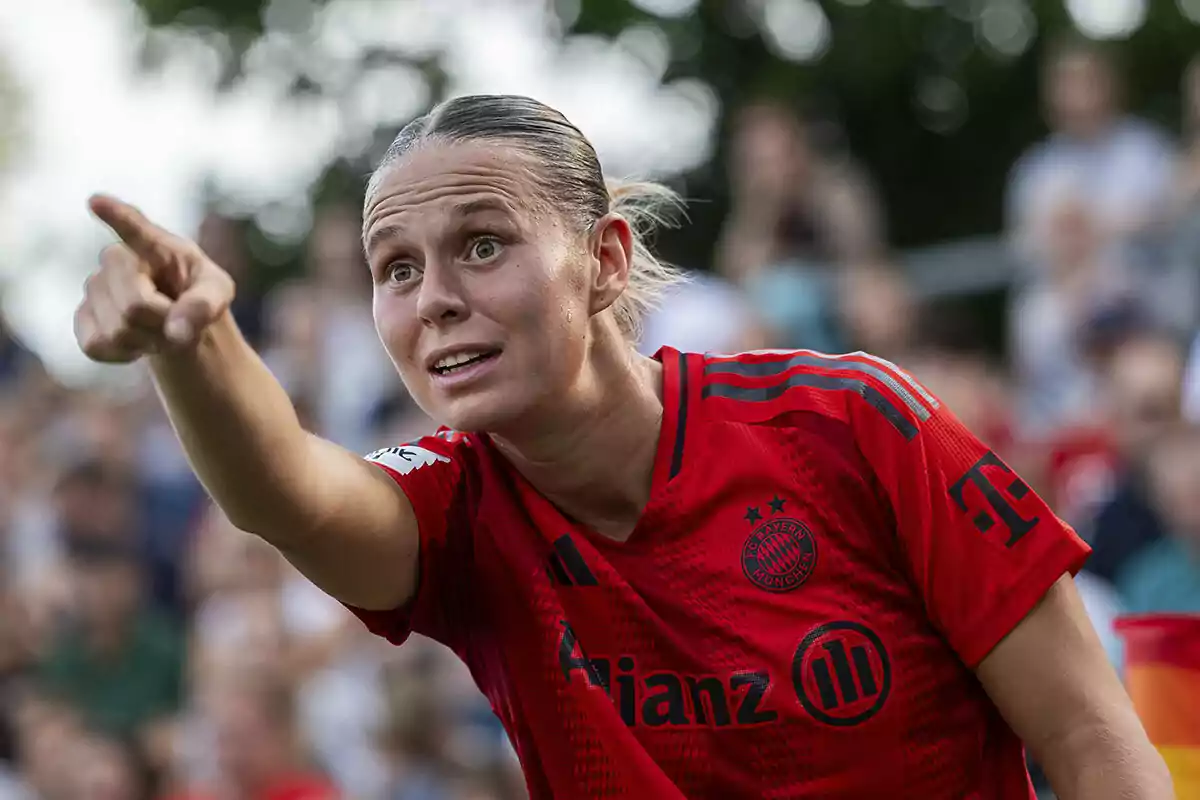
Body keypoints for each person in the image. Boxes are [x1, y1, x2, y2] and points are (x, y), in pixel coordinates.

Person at [72, 94, 1171, 798]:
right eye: (395, 268)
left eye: (483, 243)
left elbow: (1091, 736)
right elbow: (289, 494)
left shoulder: (853, 421)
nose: (436, 300)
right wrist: (194, 339)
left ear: (603, 259)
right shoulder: (458, 510)